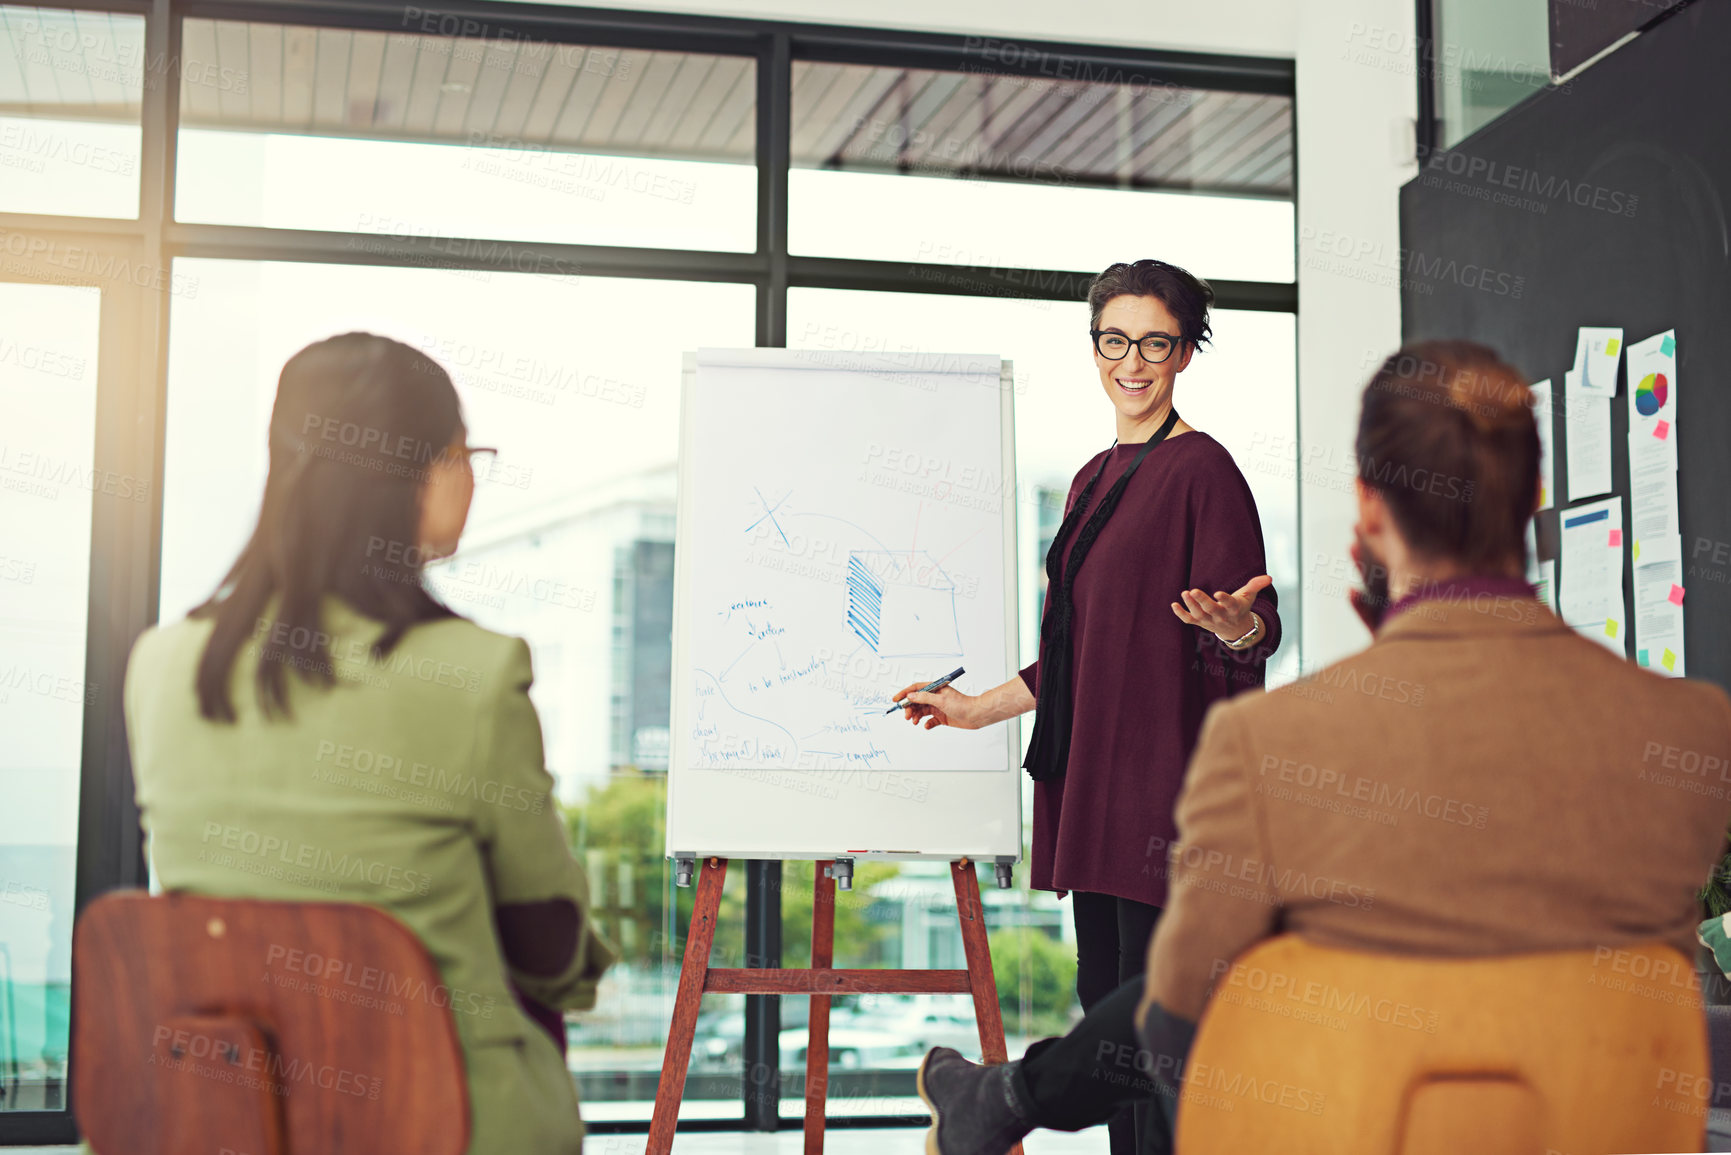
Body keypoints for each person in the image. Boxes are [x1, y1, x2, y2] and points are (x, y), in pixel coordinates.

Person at [914, 340, 1731, 1155]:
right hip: (1607, 1124)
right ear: (1532, 500)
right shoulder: (1691, 732)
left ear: (1368, 510)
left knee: (1179, 996)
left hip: (1358, 1123)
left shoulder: (1271, 745)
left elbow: (1173, 1020)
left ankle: (1001, 1098)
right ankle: (999, 1098)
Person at [120, 333, 614, 1154]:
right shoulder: (474, 672)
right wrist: (581, 974)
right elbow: (548, 936)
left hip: (223, 1116)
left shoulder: (162, 664)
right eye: (466, 453)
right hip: (446, 1115)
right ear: (420, 466)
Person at [896, 257, 1281, 1155]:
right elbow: (1080, 649)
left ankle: (998, 1101)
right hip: (1090, 786)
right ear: (1094, 346)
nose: (1132, 362)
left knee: (1157, 1022)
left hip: (1165, 792)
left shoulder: (1205, 471)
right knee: (1110, 1004)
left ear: (1185, 350)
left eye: (1155, 341)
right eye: (1115, 340)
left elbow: (1250, 624)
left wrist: (1236, 627)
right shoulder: (1090, 477)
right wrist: (973, 709)